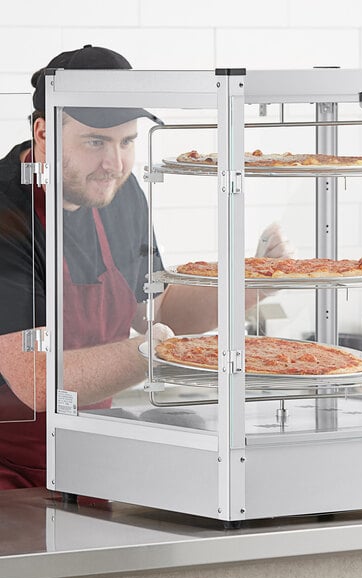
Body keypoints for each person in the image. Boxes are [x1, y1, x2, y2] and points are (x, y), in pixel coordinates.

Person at [0, 45, 291, 490]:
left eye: (127, 141)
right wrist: (151, 352)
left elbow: (157, 310)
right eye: (96, 141)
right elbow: (35, 380)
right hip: (9, 478)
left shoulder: (117, 189)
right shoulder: (7, 211)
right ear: (43, 134)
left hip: (89, 459)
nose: (114, 164)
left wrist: (250, 285)